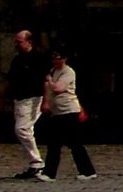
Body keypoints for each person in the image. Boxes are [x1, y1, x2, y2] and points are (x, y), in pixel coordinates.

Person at [36, 47, 95, 181]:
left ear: (64, 58)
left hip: (69, 111)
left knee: (74, 143)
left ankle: (87, 171)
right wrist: (46, 102)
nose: (54, 59)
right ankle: (50, 173)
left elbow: (58, 88)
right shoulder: (53, 71)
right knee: (54, 144)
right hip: (57, 112)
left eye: (57, 56)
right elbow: (48, 89)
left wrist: (49, 80)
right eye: (53, 56)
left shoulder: (68, 72)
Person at [6, 30, 49, 180]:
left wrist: (46, 101)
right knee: (25, 129)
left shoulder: (39, 59)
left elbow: (46, 80)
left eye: (19, 42)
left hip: (33, 98)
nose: (17, 45)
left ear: (29, 41)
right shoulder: (17, 60)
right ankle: (34, 164)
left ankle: (37, 162)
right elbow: (10, 80)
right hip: (19, 99)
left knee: (22, 129)